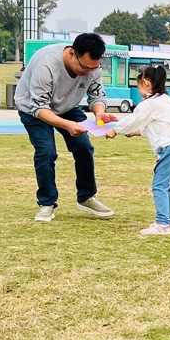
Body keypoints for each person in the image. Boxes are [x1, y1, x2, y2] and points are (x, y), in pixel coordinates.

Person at [14, 32, 118, 223]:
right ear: (71, 54)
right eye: (84, 67)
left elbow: (97, 96)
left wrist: (99, 113)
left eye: (93, 68)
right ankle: (47, 203)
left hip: (67, 107)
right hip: (33, 109)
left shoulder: (93, 67)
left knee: (84, 147)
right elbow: (39, 108)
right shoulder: (46, 64)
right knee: (46, 152)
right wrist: (67, 124)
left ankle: (86, 197)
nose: (89, 72)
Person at [106, 64, 170, 236]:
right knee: (167, 185)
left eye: (138, 86)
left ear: (146, 84)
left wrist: (115, 130)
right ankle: (169, 221)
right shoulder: (166, 100)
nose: (138, 90)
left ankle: (162, 224)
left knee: (159, 185)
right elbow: (158, 126)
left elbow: (134, 119)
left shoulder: (149, 104)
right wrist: (136, 132)